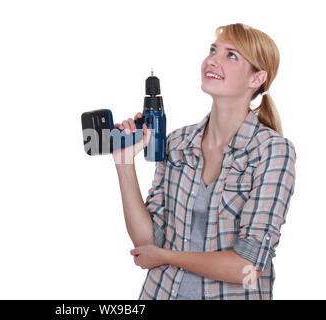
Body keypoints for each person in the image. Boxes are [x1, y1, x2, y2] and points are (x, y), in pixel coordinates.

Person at [112, 23, 296, 300]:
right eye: (213, 50)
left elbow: (246, 266)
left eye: (230, 55)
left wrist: (165, 256)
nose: (212, 60)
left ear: (256, 78)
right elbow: (146, 242)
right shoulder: (177, 143)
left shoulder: (272, 151)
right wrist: (124, 164)